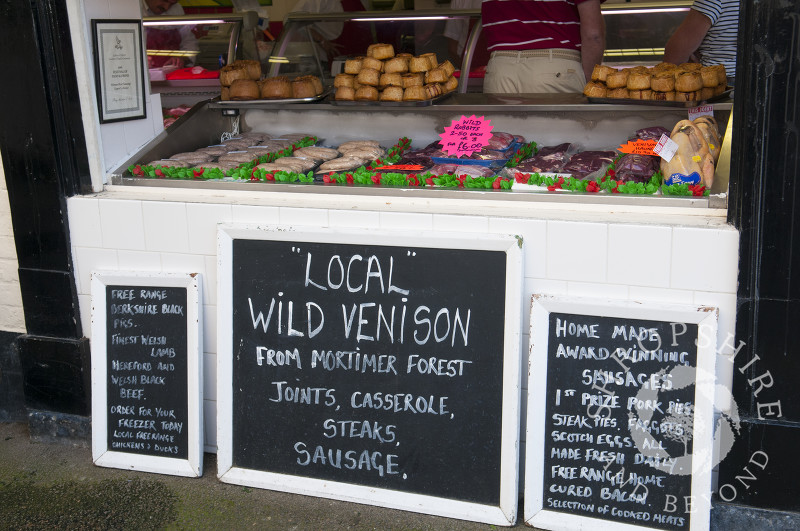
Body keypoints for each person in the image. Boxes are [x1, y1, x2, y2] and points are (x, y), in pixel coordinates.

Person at [480, 0, 605, 94]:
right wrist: (592, 85)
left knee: (503, 128)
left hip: (499, 69)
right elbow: (593, 35)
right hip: (555, 69)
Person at [663, 0, 739, 84]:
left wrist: (692, 67)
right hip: (751, 87)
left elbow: (675, 55)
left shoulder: (715, 1)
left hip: (717, 85)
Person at [141, 0, 199, 69]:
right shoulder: (133, 8)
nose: (166, 8)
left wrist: (182, 58)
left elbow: (189, 41)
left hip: (172, 73)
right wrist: (141, 59)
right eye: (165, 1)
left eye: (172, 4)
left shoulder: (176, 9)